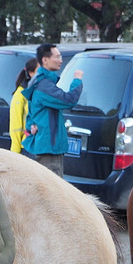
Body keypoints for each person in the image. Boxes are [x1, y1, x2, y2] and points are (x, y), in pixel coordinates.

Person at [22, 43, 83, 176]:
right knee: (51, 191)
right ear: (45, 60)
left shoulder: (39, 81)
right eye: (57, 57)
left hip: (46, 146)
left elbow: (32, 112)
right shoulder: (44, 86)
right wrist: (77, 80)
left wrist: (31, 125)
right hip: (49, 149)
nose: (61, 60)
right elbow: (69, 100)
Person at [8, 57, 39, 154]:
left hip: (38, 146)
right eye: (39, 70)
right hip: (26, 147)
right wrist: (15, 152)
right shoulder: (21, 94)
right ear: (31, 73)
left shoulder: (39, 91)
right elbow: (15, 126)